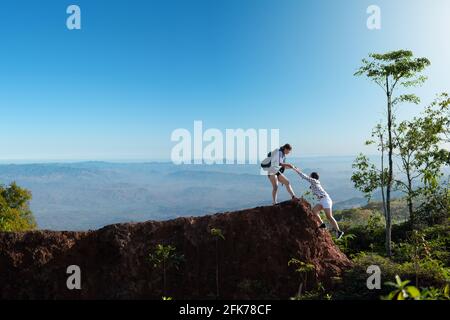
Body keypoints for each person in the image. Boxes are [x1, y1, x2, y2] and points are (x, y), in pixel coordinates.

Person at [293, 167, 344, 239]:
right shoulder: (314, 183)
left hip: (325, 199)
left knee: (329, 216)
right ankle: (322, 224)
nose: (309, 176)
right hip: (322, 200)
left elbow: (305, 177)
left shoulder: (314, 181)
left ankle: (339, 231)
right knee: (314, 211)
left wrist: (296, 170)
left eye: (310, 175)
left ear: (313, 177)